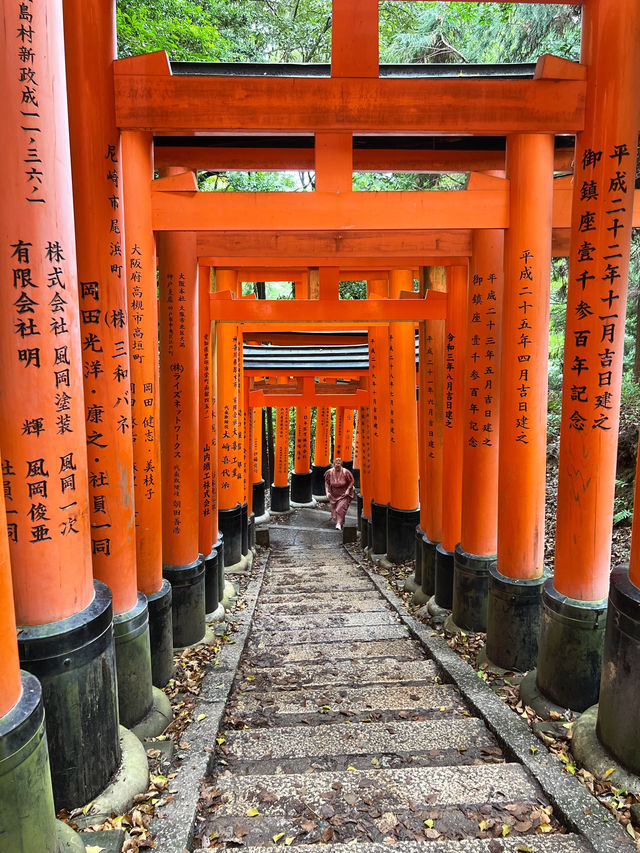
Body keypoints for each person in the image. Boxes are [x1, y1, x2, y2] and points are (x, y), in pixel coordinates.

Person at [324, 457, 355, 530]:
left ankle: (338, 524)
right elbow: (326, 483)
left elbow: (352, 481)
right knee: (335, 513)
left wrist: (348, 489)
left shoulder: (345, 472)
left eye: (339, 466)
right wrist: (327, 492)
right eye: (336, 466)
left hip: (344, 494)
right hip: (334, 494)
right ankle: (340, 521)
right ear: (333, 465)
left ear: (341, 465)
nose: (338, 468)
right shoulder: (329, 472)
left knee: (340, 509)